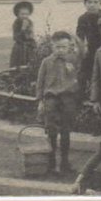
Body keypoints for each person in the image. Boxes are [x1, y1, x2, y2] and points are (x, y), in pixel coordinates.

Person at [36, 31, 83, 174]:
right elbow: (40, 82)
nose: (60, 50)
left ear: (69, 46)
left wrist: (72, 71)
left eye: (63, 47)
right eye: (57, 47)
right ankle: (51, 162)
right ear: (52, 47)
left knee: (66, 131)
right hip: (51, 99)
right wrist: (40, 101)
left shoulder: (73, 60)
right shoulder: (46, 62)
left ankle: (64, 162)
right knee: (51, 130)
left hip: (67, 99)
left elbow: (78, 77)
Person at [76, 0, 101, 100]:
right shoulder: (83, 18)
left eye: (96, 2)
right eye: (90, 2)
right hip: (90, 49)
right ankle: (82, 98)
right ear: (85, 4)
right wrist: (82, 47)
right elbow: (79, 36)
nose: (93, 5)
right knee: (84, 72)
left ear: (100, 4)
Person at [10, 1, 36, 68]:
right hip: (20, 48)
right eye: (22, 14)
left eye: (26, 14)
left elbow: (31, 34)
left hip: (29, 47)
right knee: (18, 65)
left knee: (30, 63)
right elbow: (16, 37)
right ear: (18, 14)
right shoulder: (16, 23)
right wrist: (23, 29)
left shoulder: (29, 22)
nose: (25, 16)